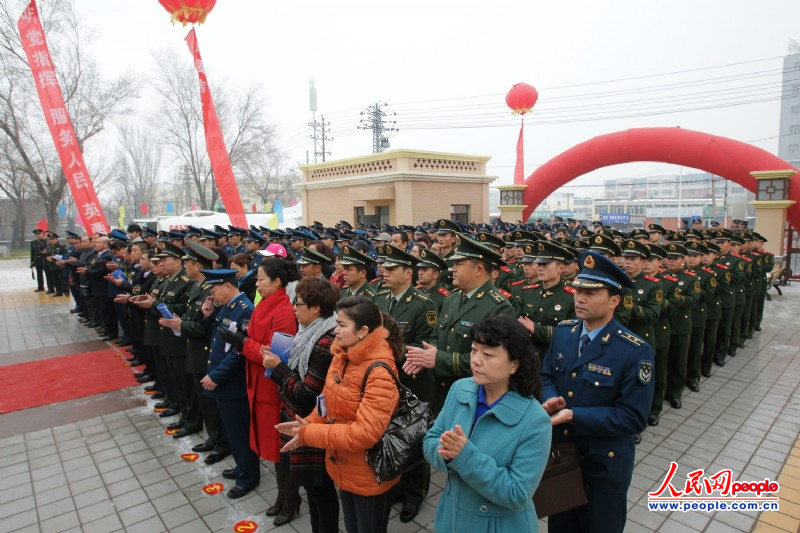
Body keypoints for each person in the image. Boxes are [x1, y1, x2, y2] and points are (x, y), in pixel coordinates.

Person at [540, 251, 654, 533]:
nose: (580, 298)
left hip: (604, 462)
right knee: (562, 525)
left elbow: (632, 417)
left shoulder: (633, 350)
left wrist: (574, 414)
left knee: (600, 526)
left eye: (591, 293)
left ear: (614, 300)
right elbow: (545, 375)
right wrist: (550, 398)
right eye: (578, 290)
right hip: (564, 454)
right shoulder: (564, 332)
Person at [276, 296, 402, 533]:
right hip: (343, 466)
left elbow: (365, 434)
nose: (335, 330)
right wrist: (308, 423)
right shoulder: (342, 354)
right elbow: (325, 402)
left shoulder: (380, 370)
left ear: (363, 331)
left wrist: (311, 433)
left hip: (369, 472)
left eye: (342, 325)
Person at [423, 315, 551, 532]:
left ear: (514, 364)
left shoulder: (535, 420)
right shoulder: (460, 389)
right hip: (452, 517)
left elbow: (517, 494)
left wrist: (464, 456)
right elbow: (430, 440)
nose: (476, 360)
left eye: (488, 354)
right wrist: (444, 452)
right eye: (474, 350)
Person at [220, 257, 300, 507]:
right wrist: (249, 342)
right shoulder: (266, 303)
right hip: (257, 383)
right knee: (272, 448)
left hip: (271, 389)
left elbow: (274, 357)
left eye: (261, 279)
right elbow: (261, 346)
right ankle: (283, 496)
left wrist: (244, 343)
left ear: (277, 282)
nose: (257, 284)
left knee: (279, 449)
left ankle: (289, 499)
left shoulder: (284, 311)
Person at [262, 278, 340, 531]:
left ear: (316, 308)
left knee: (319, 486)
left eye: (299, 303)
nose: (294, 308)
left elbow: (308, 394)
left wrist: (278, 368)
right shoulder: (308, 331)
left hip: (312, 421)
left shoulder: (324, 341)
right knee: (312, 486)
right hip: (301, 420)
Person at [405, 236, 514, 413]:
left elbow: (491, 359)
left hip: (472, 397)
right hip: (441, 393)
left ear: (478, 270)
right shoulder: (453, 298)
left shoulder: (498, 306)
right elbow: (436, 336)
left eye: (459, 264)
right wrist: (426, 354)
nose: (452, 269)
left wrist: (438, 359)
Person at [199, 268, 258, 499]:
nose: (212, 293)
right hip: (224, 382)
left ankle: (249, 477)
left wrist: (217, 375)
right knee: (232, 431)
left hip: (234, 383)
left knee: (240, 432)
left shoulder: (245, 311)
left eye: (214, 288)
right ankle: (241, 466)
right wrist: (206, 314)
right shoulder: (226, 307)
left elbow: (239, 351)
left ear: (228, 286)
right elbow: (213, 337)